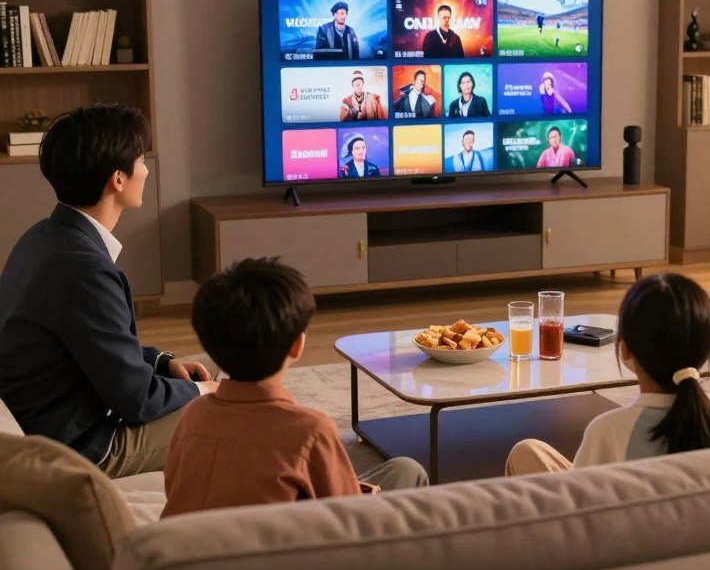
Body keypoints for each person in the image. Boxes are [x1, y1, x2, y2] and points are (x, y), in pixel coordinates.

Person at [0, 104, 216, 477]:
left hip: (51, 414)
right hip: (79, 445)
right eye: (140, 159)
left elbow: (92, 343)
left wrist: (161, 362)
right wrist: (201, 395)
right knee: (235, 407)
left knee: (219, 371)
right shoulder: (86, 270)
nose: (146, 169)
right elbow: (137, 400)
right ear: (118, 179)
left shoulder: (42, 237)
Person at [162, 258, 427, 517]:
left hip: (195, 548)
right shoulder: (310, 430)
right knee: (407, 471)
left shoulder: (192, 417)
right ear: (297, 345)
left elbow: (177, 489)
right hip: (290, 554)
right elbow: (348, 520)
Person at [505, 274, 710, 475]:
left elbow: (579, 507)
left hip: (621, 529)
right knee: (531, 451)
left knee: (525, 452)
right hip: (707, 528)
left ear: (625, 349)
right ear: (706, 348)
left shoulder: (610, 430)